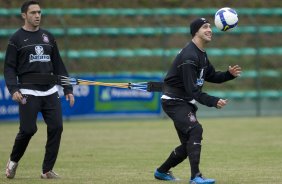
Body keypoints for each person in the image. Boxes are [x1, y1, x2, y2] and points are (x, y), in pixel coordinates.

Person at [153, 17, 241, 184]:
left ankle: (161, 172)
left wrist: (229, 75)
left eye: (210, 27)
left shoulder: (201, 54)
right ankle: (196, 177)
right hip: (174, 101)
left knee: (188, 145)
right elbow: (193, 90)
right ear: (196, 32)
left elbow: (212, 76)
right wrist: (214, 101)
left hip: (184, 101)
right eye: (205, 27)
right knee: (196, 130)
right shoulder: (189, 56)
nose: (210, 30)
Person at [4, 0, 75, 179]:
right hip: (28, 91)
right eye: (33, 12)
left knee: (57, 127)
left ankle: (47, 170)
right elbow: (9, 68)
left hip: (50, 91)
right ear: (24, 15)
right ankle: (13, 162)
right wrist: (13, 89)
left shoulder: (48, 37)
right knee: (28, 130)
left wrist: (67, 88)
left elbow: (58, 65)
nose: (37, 16)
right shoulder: (16, 39)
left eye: (39, 12)